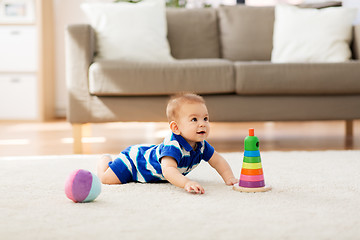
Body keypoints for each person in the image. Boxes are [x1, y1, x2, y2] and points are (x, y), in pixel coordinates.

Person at [97, 93, 238, 194]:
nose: (202, 124)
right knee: (107, 179)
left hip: (147, 160)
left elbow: (217, 160)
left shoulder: (202, 145)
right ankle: (105, 159)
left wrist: (229, 177)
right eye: (194, 119)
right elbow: (168, 170)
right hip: (134, 161)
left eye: (205, 118)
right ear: (176, 128)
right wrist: (186, 182)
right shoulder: (173, 146)